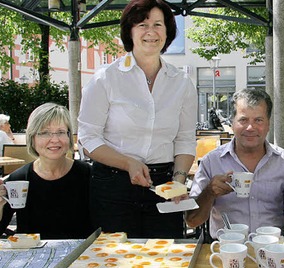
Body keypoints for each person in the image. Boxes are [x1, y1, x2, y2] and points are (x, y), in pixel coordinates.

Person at [78, 0, 196, 238]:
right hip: (113, 185)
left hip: (163, 184)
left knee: (165, 258)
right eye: (142, 24)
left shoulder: (181, 82)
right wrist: (128, 163)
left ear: (168, 31)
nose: (151, 31)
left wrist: (179, 180)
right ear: (130, 32)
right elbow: (88, 138)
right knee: (116, 258)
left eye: (157, 24)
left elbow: (185, 139)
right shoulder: (106, 78)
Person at [186, 89, 284, 238]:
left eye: (258, 120)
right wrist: (209, 192)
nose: (250, 127)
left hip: (271, 249)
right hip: (226, 249)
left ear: (268, 124)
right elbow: (192, 221)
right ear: (232, 123)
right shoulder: (212, 162)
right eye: (243, 120)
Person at [0, 103, 93, 239]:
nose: (55, 139)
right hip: (32, 255)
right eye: (45, 133)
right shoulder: (20, 179)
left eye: (61, 132)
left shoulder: (88, 175)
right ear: (32, 138)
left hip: (83, 256)